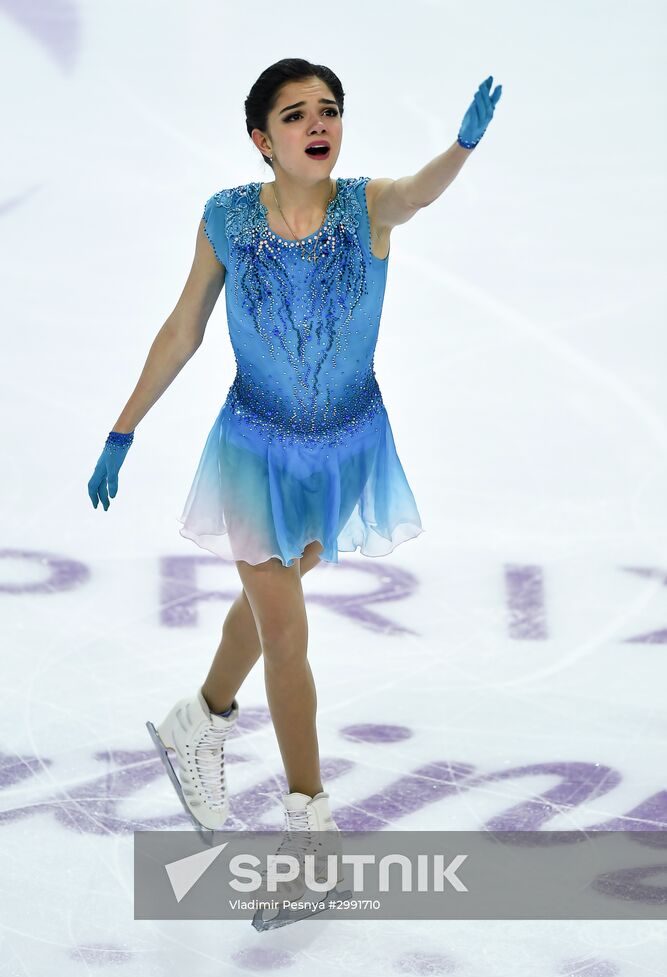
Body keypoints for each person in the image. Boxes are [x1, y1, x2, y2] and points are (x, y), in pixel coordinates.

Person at [87, 59, 502, 842]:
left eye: (330, 110)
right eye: (296, 114)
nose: (318, 124)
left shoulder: (368, 205)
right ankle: (311, 823)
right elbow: (183, 331)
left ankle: (199, 718)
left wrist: (460, 147)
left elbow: (417, 191)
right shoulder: (227, 218)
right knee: (283, 630)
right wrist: (122, 428)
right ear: (261, 139)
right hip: (254, 452)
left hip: (347, 449)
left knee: (265, 605)